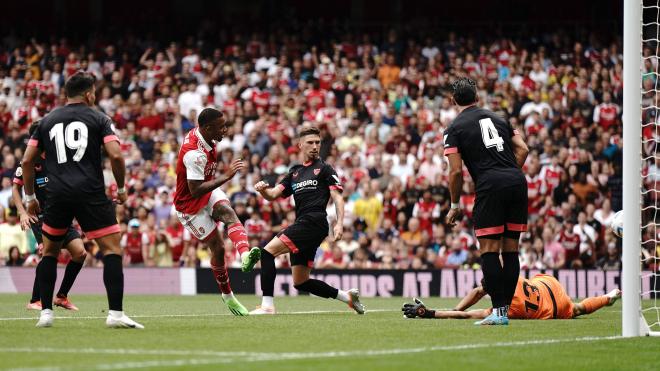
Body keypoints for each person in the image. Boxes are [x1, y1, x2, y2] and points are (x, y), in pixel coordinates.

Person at [22, 71, 143, 329]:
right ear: (89, 94)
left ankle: (45, 314)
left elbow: (26, 160)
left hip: (57, 194)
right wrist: (121, 189)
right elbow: (117, 156)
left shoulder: (46, 121)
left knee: (50, 253)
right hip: (90, 192)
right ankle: (116, 315)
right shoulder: (99, 118)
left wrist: (31, 196)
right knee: (111, 250)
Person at [251, 126, 365, 315]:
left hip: (315, 221)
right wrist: (263, 190)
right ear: (300, 145)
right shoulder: (294, 172)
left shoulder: (325, 169)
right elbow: (272, 195)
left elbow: (337, 197)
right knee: (301, 281)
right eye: (310, 143)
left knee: (267, 253)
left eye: (317, 143)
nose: (315, 146)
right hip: (304, 223)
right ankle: (347, 297)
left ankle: (267, 306)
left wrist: (339, 223)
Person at [444, 77, 529, 325]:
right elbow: (523, 149)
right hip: (516, 181)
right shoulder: (500, 119)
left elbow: (456, 171)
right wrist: (509, 174)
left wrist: (455, 205)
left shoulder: (454, 128)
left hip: (490, 185)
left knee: (489, 251)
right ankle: (505, 310)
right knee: (511, 250)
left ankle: (500, 313)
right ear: (477, 98)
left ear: (453, 101)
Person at [172, 107, 260, 316]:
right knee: (218, 248)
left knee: (229, 213)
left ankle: (245, 255)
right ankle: (228, 296)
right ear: (208, 128)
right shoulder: (194, 154)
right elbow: (194, 191)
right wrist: (227, 176)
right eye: (221, 127)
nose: (226, 130)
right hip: (189, 206)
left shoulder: (206, 136)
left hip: (207, 189)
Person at [13, 121, 86, 311]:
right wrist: (22, 212)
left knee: (80, 253)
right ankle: (34, 300)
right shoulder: (30, 160)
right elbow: (16, 187)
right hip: (40, 217)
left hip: (61, 214)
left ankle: (61, 296)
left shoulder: (58, 156)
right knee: (48, 255)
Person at [402, 274, 621, 320]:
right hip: (547, 283)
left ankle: (607, 299)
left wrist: (431, 313)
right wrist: (454, 308)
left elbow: (467, 316)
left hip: (554, 309)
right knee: (578, 307)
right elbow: (480, 292)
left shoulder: (508, 310)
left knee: (576, 310)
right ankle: (607, 297)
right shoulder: (510, 275)